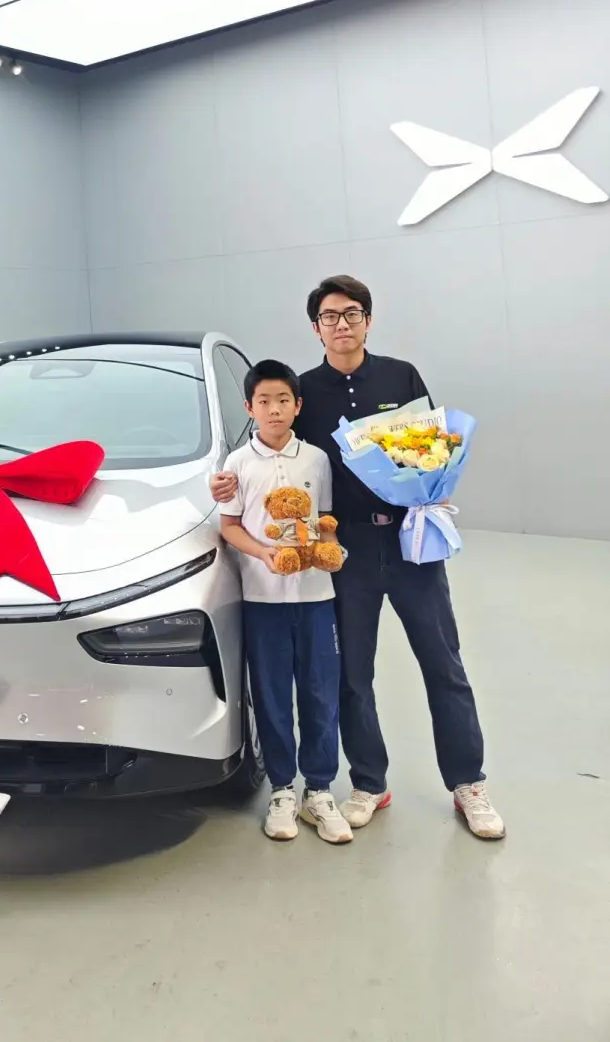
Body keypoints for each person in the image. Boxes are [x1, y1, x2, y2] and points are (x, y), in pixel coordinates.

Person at [211, 276, 504, 840]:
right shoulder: (302, 391)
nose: (341, 324)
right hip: (346, 553)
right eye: (330, 316)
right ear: (315, 327)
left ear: (367, 320)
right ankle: (369, 782)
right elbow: (264, 453)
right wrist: (224, 485)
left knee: (443, 663)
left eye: (351, 313)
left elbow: (431, 449)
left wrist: (437, 481)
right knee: (352, 675)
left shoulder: (401, 376)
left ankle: (468, 782)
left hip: (412, 544)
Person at [218, 358, 352, 845]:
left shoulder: (316, 459)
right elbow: (229, 526)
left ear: (298, 405)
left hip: (316, 597)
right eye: (264, 401)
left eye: (282, 401)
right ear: (249, 407)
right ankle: (281, 790)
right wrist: (264, 553)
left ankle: (320, 789)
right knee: (272, 695)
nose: (274, 410)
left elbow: (326, 520)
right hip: (262, 599)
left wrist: (330, 551)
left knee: (321, 692)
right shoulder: (236, 464)